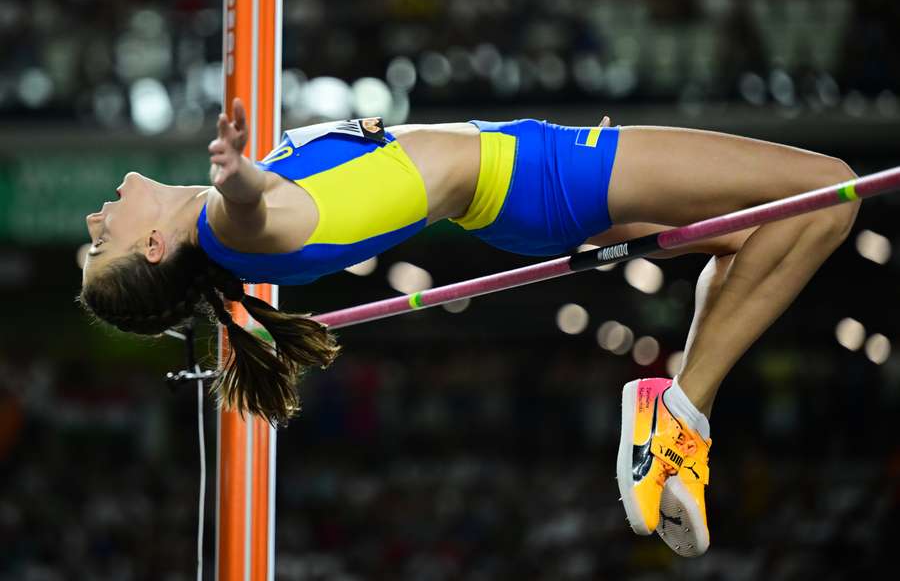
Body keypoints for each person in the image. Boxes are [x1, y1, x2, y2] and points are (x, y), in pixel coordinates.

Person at [79, 98, 858, 557]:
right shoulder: (228, 227)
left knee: (756, 241)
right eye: (99, 241)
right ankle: (679, 414)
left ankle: (683, 424)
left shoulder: (232, 241)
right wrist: (237, 177)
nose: (95, 216)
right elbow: (259, 211)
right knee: (830, 193)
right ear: (154, 247)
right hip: (541, 176)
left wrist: (243, 180)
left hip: (516, 193)